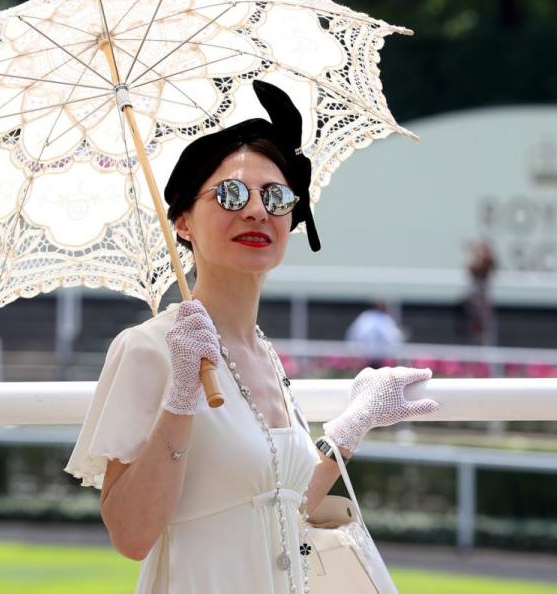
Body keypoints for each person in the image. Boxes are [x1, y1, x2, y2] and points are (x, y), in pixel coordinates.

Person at [64, 80, 439, 594]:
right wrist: (180, 396)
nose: (257, 210)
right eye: (230, 193)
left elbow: (282, 506)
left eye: (276, 195)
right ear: (184, 223)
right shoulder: (148, 348)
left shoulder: (263, 352)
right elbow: (131, 536)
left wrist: (351, 425)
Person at [345, 301, 405, 367]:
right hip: (370, 359)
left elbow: (353, 335)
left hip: (376, 360)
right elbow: (393, 339)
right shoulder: (383, 319)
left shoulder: (366, 317)